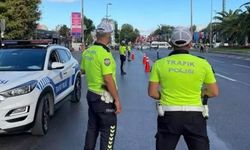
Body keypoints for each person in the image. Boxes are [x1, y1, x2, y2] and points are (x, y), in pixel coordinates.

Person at [148, 27, 219, 150]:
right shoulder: (203, 63)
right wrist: (199, 94)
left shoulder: (159, 64)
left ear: (171, 43)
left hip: (168, 115)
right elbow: (213, 92)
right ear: (190, 44)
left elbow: (152, 92)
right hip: (195, 116)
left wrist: (164, 95)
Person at [81, 21, 122, 150]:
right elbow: (108, 79)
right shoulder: (104, 53)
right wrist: (117, 100)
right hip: (104, 98)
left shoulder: (87, 52)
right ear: (108, 36)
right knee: (108, 131)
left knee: (92, 129)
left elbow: (83, 70)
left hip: (91, 95)